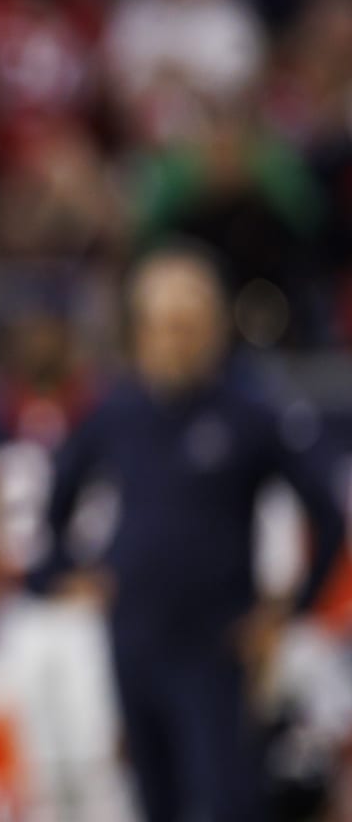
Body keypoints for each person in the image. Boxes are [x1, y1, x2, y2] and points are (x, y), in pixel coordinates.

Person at [29, 247, 347, 822]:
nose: (174, 340)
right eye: (161, 325)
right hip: (133, 639)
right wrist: (62, 573)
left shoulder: (249, 413)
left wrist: (290, 611)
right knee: (154, 800)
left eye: (188, 325)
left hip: (216, 647)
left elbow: (327, 512)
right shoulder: (116, 411)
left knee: (228, 802)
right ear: (140, 332)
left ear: (215, 328)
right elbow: (55, 496)